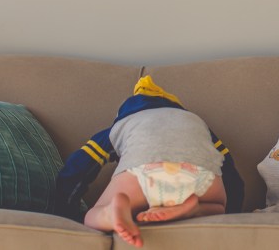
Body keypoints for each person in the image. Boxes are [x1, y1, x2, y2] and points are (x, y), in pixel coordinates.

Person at [55, 76, 244, 247]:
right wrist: (232, 211)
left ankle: (110, 213)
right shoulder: (196, 122)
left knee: (92, 216)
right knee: (217, 207)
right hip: (200, 178)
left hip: (143, 173)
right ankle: (192, 209)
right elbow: (229, 170)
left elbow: (78, 168)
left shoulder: (121, 125)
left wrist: (65, 210)